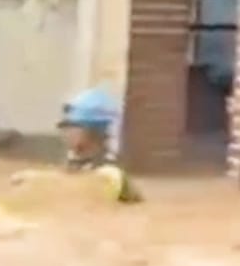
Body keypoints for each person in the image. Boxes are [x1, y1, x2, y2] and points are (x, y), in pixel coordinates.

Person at [9, 87, 143, 204]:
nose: (64, 132)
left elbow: (84, 187)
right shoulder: (75, 163)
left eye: (71, 126)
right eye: (63, 126)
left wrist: (37, 180)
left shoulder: (111, 171)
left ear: (94, 129)